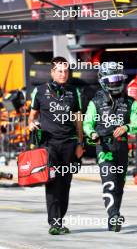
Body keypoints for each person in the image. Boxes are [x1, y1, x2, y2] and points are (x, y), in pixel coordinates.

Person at [83, 62, 137, 232]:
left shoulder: (131, 102)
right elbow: (87, 124)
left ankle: (113, 215)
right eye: (111, 79)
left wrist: (127, 127)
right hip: (104, 149)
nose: (115, 83)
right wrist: (92, 134)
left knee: (119, 185)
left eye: (118, 79)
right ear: (103, 80)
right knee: (109, 182)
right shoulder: (95, 102)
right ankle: (114, 215)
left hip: (122, 148)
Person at [28, 57, 84, 235]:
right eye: (59, 71)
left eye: (66, 71)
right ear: (52, 72)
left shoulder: (74, 92)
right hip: (48, 144)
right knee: (52, 182)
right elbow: (32, 116)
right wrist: (31, 124)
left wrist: (80, 143)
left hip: (69, 144)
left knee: (65, 183)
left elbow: (78, 120)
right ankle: (54, 222)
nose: (63, 74)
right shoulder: (40, 91)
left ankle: (60, 219)